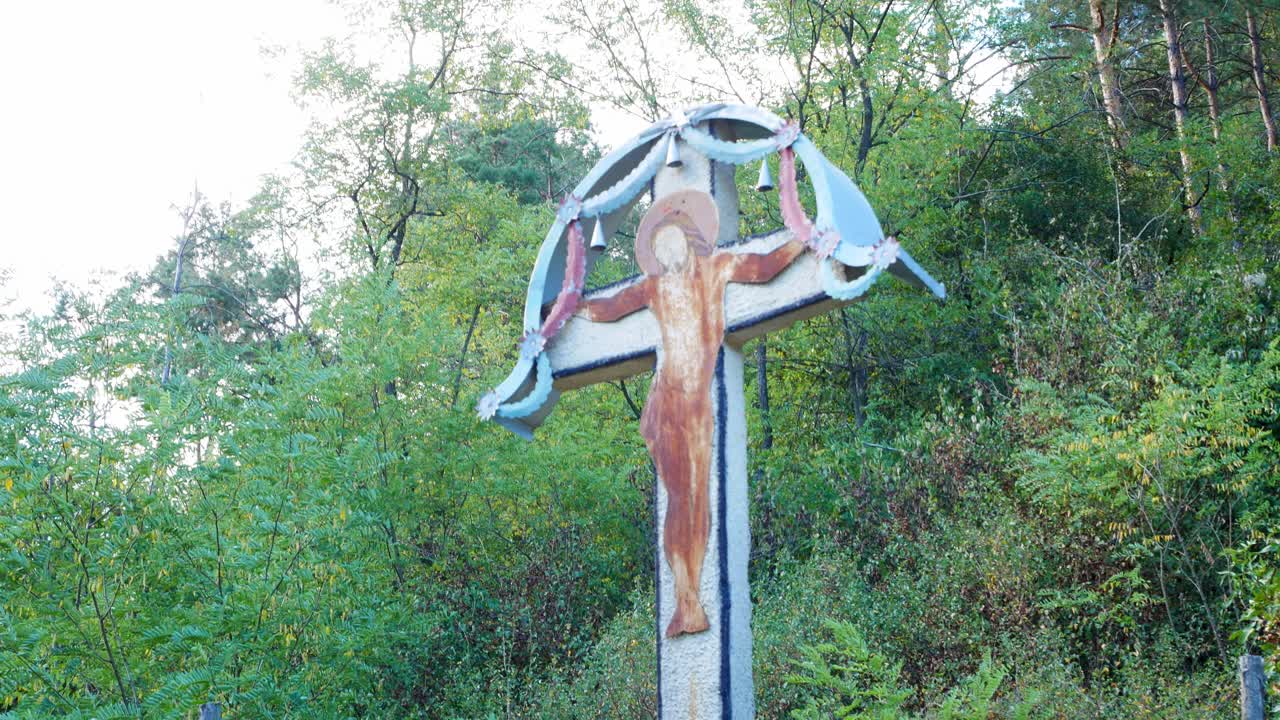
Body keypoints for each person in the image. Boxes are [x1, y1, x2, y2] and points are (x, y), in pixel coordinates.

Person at [577, 189, 806, 637]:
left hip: (698, 406)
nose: (667, 254)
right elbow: (610, 308)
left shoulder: (717, 269)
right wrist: (570, 306)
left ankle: (691, 601)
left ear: (690, 240)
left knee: (697, 502)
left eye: (672, 243)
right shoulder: (654, 288)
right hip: (665, 405)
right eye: (658, 250)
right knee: (679, 501)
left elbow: (762, 268)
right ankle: (683, 597)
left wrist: (802, 240)